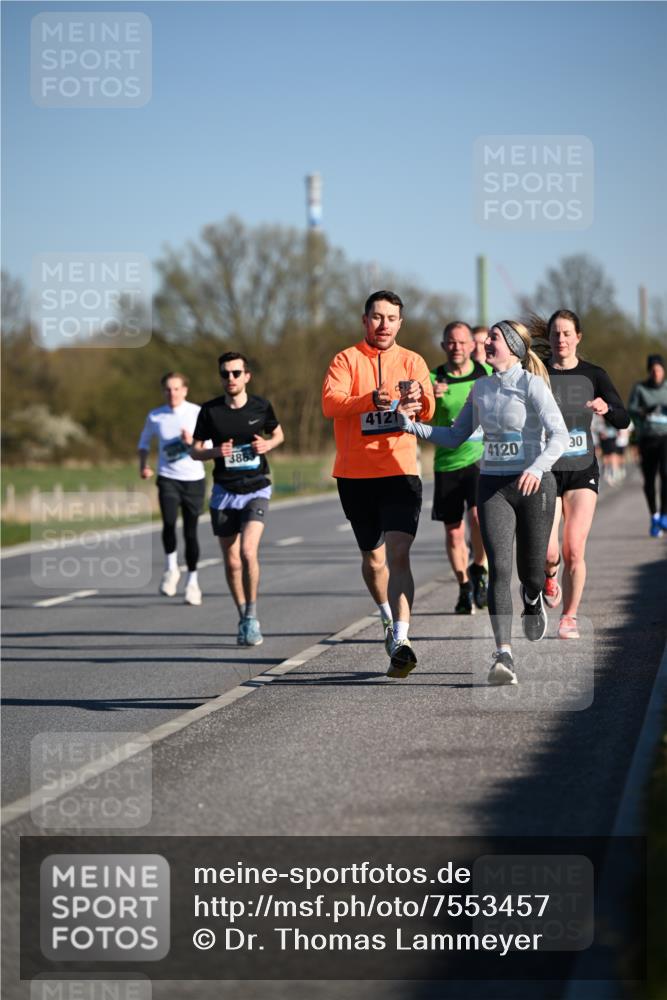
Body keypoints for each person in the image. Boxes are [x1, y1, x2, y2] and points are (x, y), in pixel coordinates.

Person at [398, 320, 569, 686]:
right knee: (499, 569)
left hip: (534, 485)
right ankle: (504, 654)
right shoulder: (481, 387)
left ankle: (533, 597)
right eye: (487, 337)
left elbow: (560, 435)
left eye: (494, 337)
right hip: (493, 487)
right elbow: (455, 435)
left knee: (531, 572)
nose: (485, 342)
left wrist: (537, 468)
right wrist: (411, 426)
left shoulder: (531, 385)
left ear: (513, 348)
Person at [322, 290, 435, 679]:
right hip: (355, 475)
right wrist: (369, 399)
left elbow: (429, 408)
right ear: (365, 320)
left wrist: (420, 398)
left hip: (400, 471)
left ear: (400, 323)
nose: (383, 324)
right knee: (374, 559)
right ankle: (387, 618)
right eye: (377, 317)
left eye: (391, 318)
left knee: (399, 552)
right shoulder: (346, 359)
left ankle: (402, 640)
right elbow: (331, 403)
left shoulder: (413, 361)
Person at [543, 310, 630, 639]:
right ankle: (549, 575)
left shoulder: (594, 374)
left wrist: (607, 409)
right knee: (550, 553)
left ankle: (569, 617)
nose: (561, 339)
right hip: (547, 470)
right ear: (549, 338)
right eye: (555, 334)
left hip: (581, 470)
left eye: (567, 333)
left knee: (574, 550)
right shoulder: (536, 372)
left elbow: (623, 418)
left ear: (578, 337)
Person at [191, 352, 284, 645]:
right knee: (232, 562)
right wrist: (214, 452)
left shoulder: (261, 406)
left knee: (247, 552)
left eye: (235, 373)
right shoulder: (210, 411)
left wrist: (267, 445)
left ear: (247, 376)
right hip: (224, 492)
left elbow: (278, 435)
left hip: (256, 487)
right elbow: (194, 451)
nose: (230, 378)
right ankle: (243, 616)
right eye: (225, 374)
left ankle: (253, 616)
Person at [430, 321, 490, 614]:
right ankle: (464, 587)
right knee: (454, 532)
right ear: (444, 346)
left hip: (480, 459)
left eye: (462, 342)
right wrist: (430, 400)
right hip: (447, 463)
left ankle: (479, 566)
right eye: (451, 342)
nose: (457, 347)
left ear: (472, 345)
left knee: (478, 517)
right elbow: (422, 419)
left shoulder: (486, 373)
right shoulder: (433, 379)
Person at [138, 372, 207, 605]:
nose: (172, 393)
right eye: (168, 389)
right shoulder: (156, 415)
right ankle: (171, 568)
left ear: (185, 390)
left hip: (194, 479)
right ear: (163, 391)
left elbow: (209, 445)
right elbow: (144, 443)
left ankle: (193, 582)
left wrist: (191, 441)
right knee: (168, 523)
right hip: (168, 477)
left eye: (176, 389)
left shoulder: (197, 413)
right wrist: (143, 465)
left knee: (190, 532)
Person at [628, 354, 667, 537]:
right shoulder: (640, 388)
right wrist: (644, 411)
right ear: (649, 371)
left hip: (665, 437)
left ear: (663, 371)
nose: (656, 373)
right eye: (652, 370)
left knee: (666, 474)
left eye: (659, 370)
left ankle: (665, 514)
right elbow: (631, 410)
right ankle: (654, 515)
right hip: (647, 438)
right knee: (649, 480)